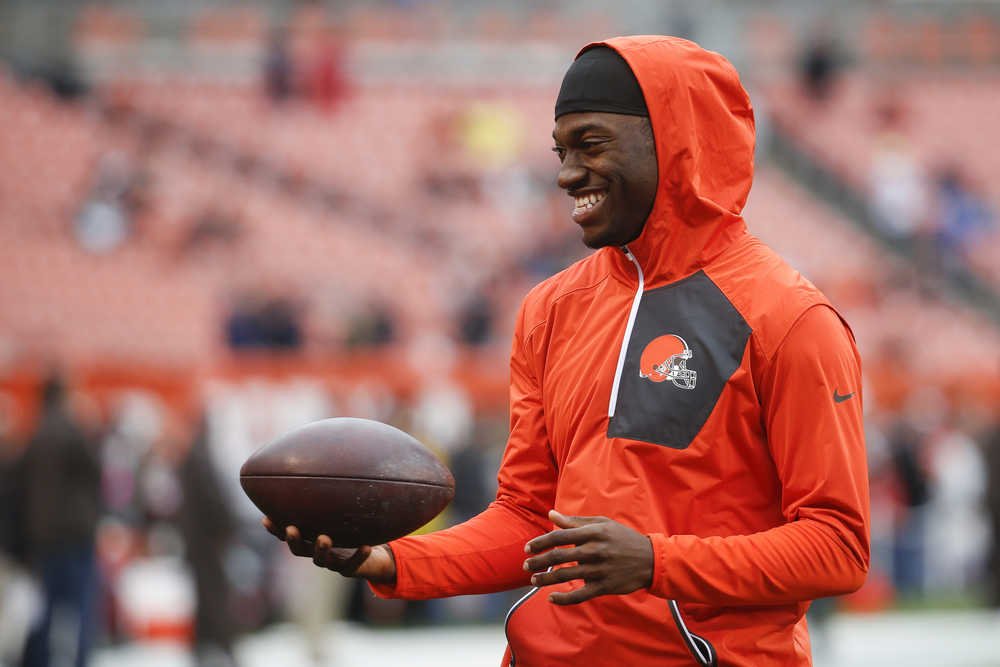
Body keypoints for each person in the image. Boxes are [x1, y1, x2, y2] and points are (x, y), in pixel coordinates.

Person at [265, 36, 870, 666]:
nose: (566, 173)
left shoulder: (791, 319)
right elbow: (529, 519)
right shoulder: (548, 311)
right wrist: (390, 558)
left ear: (673, 139)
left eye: (591, 144)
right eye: (561, 150)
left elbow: (839, 547)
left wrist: (657, 563)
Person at [21, 372, 103, 667]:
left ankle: (38, 661)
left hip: (43, 537)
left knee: (45, 608)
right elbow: (96, 470)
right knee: (82, 609)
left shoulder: (36, 432)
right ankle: (80, 661)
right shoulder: (72, 429)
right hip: (75, 537)